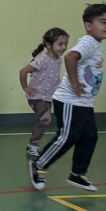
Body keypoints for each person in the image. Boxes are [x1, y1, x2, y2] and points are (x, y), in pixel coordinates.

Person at [31, 4, 106, 192]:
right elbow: (70, 57)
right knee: (67, 137)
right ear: (88, 26)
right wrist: (75, 82)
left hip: (84, 102)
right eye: (103, 22)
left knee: (90, 137)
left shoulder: (96, 45)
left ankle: (77, 174)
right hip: (70, 100)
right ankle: (39, 165)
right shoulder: (88, 43)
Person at [19, 28, 69, 157]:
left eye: (65, 44)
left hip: (48, 97)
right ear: (48, 45)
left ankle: (35, 145)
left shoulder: (59, 60)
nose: (64, 47)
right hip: (36, 96)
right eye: (60, 44)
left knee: (44, 120)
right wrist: (26, 87)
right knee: (45, 119)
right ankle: (33, 146)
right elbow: (23, 71)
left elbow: (54, 78)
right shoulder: (42, 60)